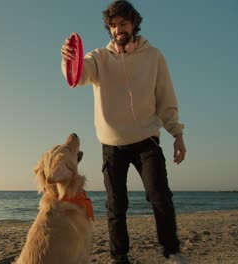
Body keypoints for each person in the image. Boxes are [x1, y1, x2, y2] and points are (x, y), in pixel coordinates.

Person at [60, 1, 188, 264]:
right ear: (110, 28)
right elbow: (78, 76)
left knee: (160, 197)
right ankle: (120, 258)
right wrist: (68, 60)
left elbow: (165, 97)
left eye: (123, 23)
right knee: (116, 206)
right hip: (112, 144)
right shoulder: (98, 57)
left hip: (147, 140)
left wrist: (177, 134)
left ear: (134, 24)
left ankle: (172, 251)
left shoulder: (154, 56)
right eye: (114, 25)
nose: (118, 29)